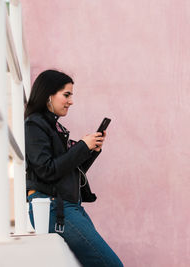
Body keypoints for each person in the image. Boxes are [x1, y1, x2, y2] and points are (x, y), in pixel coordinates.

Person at [24, 69, 123, 267]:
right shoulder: (34, 125)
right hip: (54, 206)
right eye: (66, 95)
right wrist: (81, 147)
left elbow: (71, 171)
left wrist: (91, 150)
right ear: (48, 95)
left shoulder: (54, 127)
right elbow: (47, 170)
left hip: (68, 205)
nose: (71, 101)